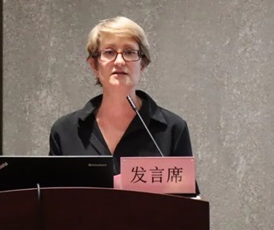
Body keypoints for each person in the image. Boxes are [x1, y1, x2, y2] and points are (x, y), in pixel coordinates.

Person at [49, 16, 193, 177]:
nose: (119, 61)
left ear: (142, 64)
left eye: (129, 52)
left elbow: (186, 192)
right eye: (109, 52)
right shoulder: (65, 131)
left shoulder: (172, 129)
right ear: (94, 65)